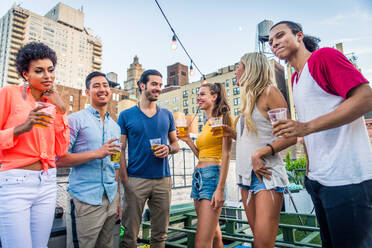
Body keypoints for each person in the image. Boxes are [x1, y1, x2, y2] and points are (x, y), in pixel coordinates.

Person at [269, 21, 372, 248]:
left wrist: (305, 127)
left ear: (299, 36)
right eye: (270, 41)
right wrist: (309, 172)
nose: (274, 42)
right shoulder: (296, 78)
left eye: (280, 35)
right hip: (318, 181)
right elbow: (306, 130)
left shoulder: (323, 57)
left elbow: (366, 98)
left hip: (348, 180)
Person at [222, 52, 297, 248]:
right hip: (245, 177)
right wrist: (232, 133)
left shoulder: (269, 92)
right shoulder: (248, 102)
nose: (236, 70)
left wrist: (260, 154)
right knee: (258, 241)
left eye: (239, 65)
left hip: (266, 176)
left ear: (251, 68)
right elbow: (254, 138)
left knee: (263, 244)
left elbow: (290, 136)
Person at [0, 42, 69, 248]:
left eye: (50, 70)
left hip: (47, 182)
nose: (47, 75)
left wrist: (61, 110)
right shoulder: (9, 94)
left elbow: (61, 149)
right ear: (25, 74)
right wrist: (22, 127)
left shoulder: (51, 104)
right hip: (15, 183)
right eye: (39, 71)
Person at [56, 72, 121, 248]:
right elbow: (59, 159)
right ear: (87, 91)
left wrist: (118, 199)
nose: (102, 89)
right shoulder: (74, 120)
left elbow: (116, 164)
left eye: (105, 85)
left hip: (111, 198)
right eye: (96, 85)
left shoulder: (115, 127)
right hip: (85, 200)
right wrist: (96, 153)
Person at [118, 69, 179, 248]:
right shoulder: (126, 115)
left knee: (160, 235)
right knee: (129, 234)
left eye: (160, 85)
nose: (158, 88)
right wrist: (124, 179)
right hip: (135, 180)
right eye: (154, 84)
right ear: (142, 85)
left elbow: (175, 144)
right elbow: (120, 150)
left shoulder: (167, 115)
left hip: (163, 180)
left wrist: (168, 148)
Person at [177, 82, 232, 248]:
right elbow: (203, 155)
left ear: (214, 97)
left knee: (201, 242)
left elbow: (226, 154)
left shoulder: (223, 119)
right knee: (214, 235)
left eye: (202, 94)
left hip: (212, 176)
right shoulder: (208, 123)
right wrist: (188, 141)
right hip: (199, 177)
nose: (198, 98)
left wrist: (220, 188)